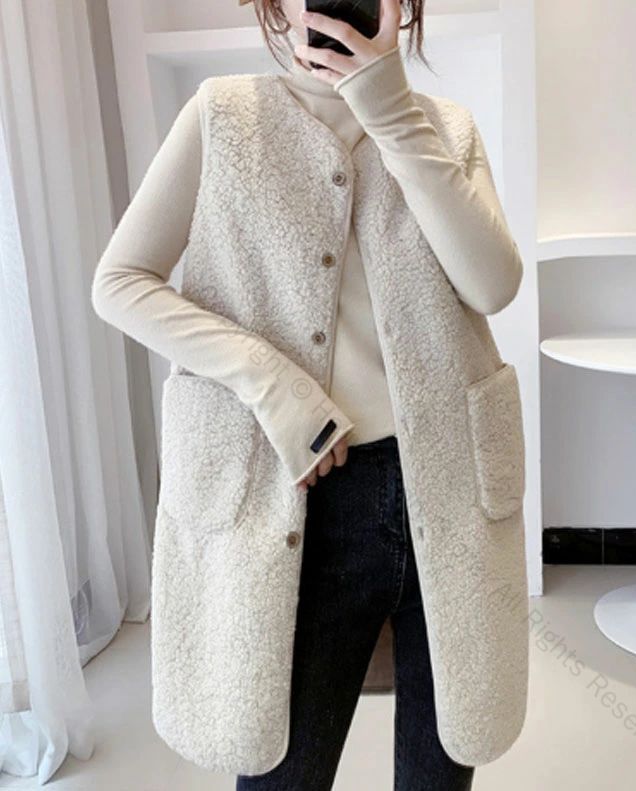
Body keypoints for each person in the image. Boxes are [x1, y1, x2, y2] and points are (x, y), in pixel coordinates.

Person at [92, 0, 524, 788]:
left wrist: (389, 110)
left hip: (447, 488)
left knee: (442, 764)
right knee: (282, 769)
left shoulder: (443, 128)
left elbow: (493, 285)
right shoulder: (224, 116)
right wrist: (271, 384)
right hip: (301, 498)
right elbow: (120, 281)